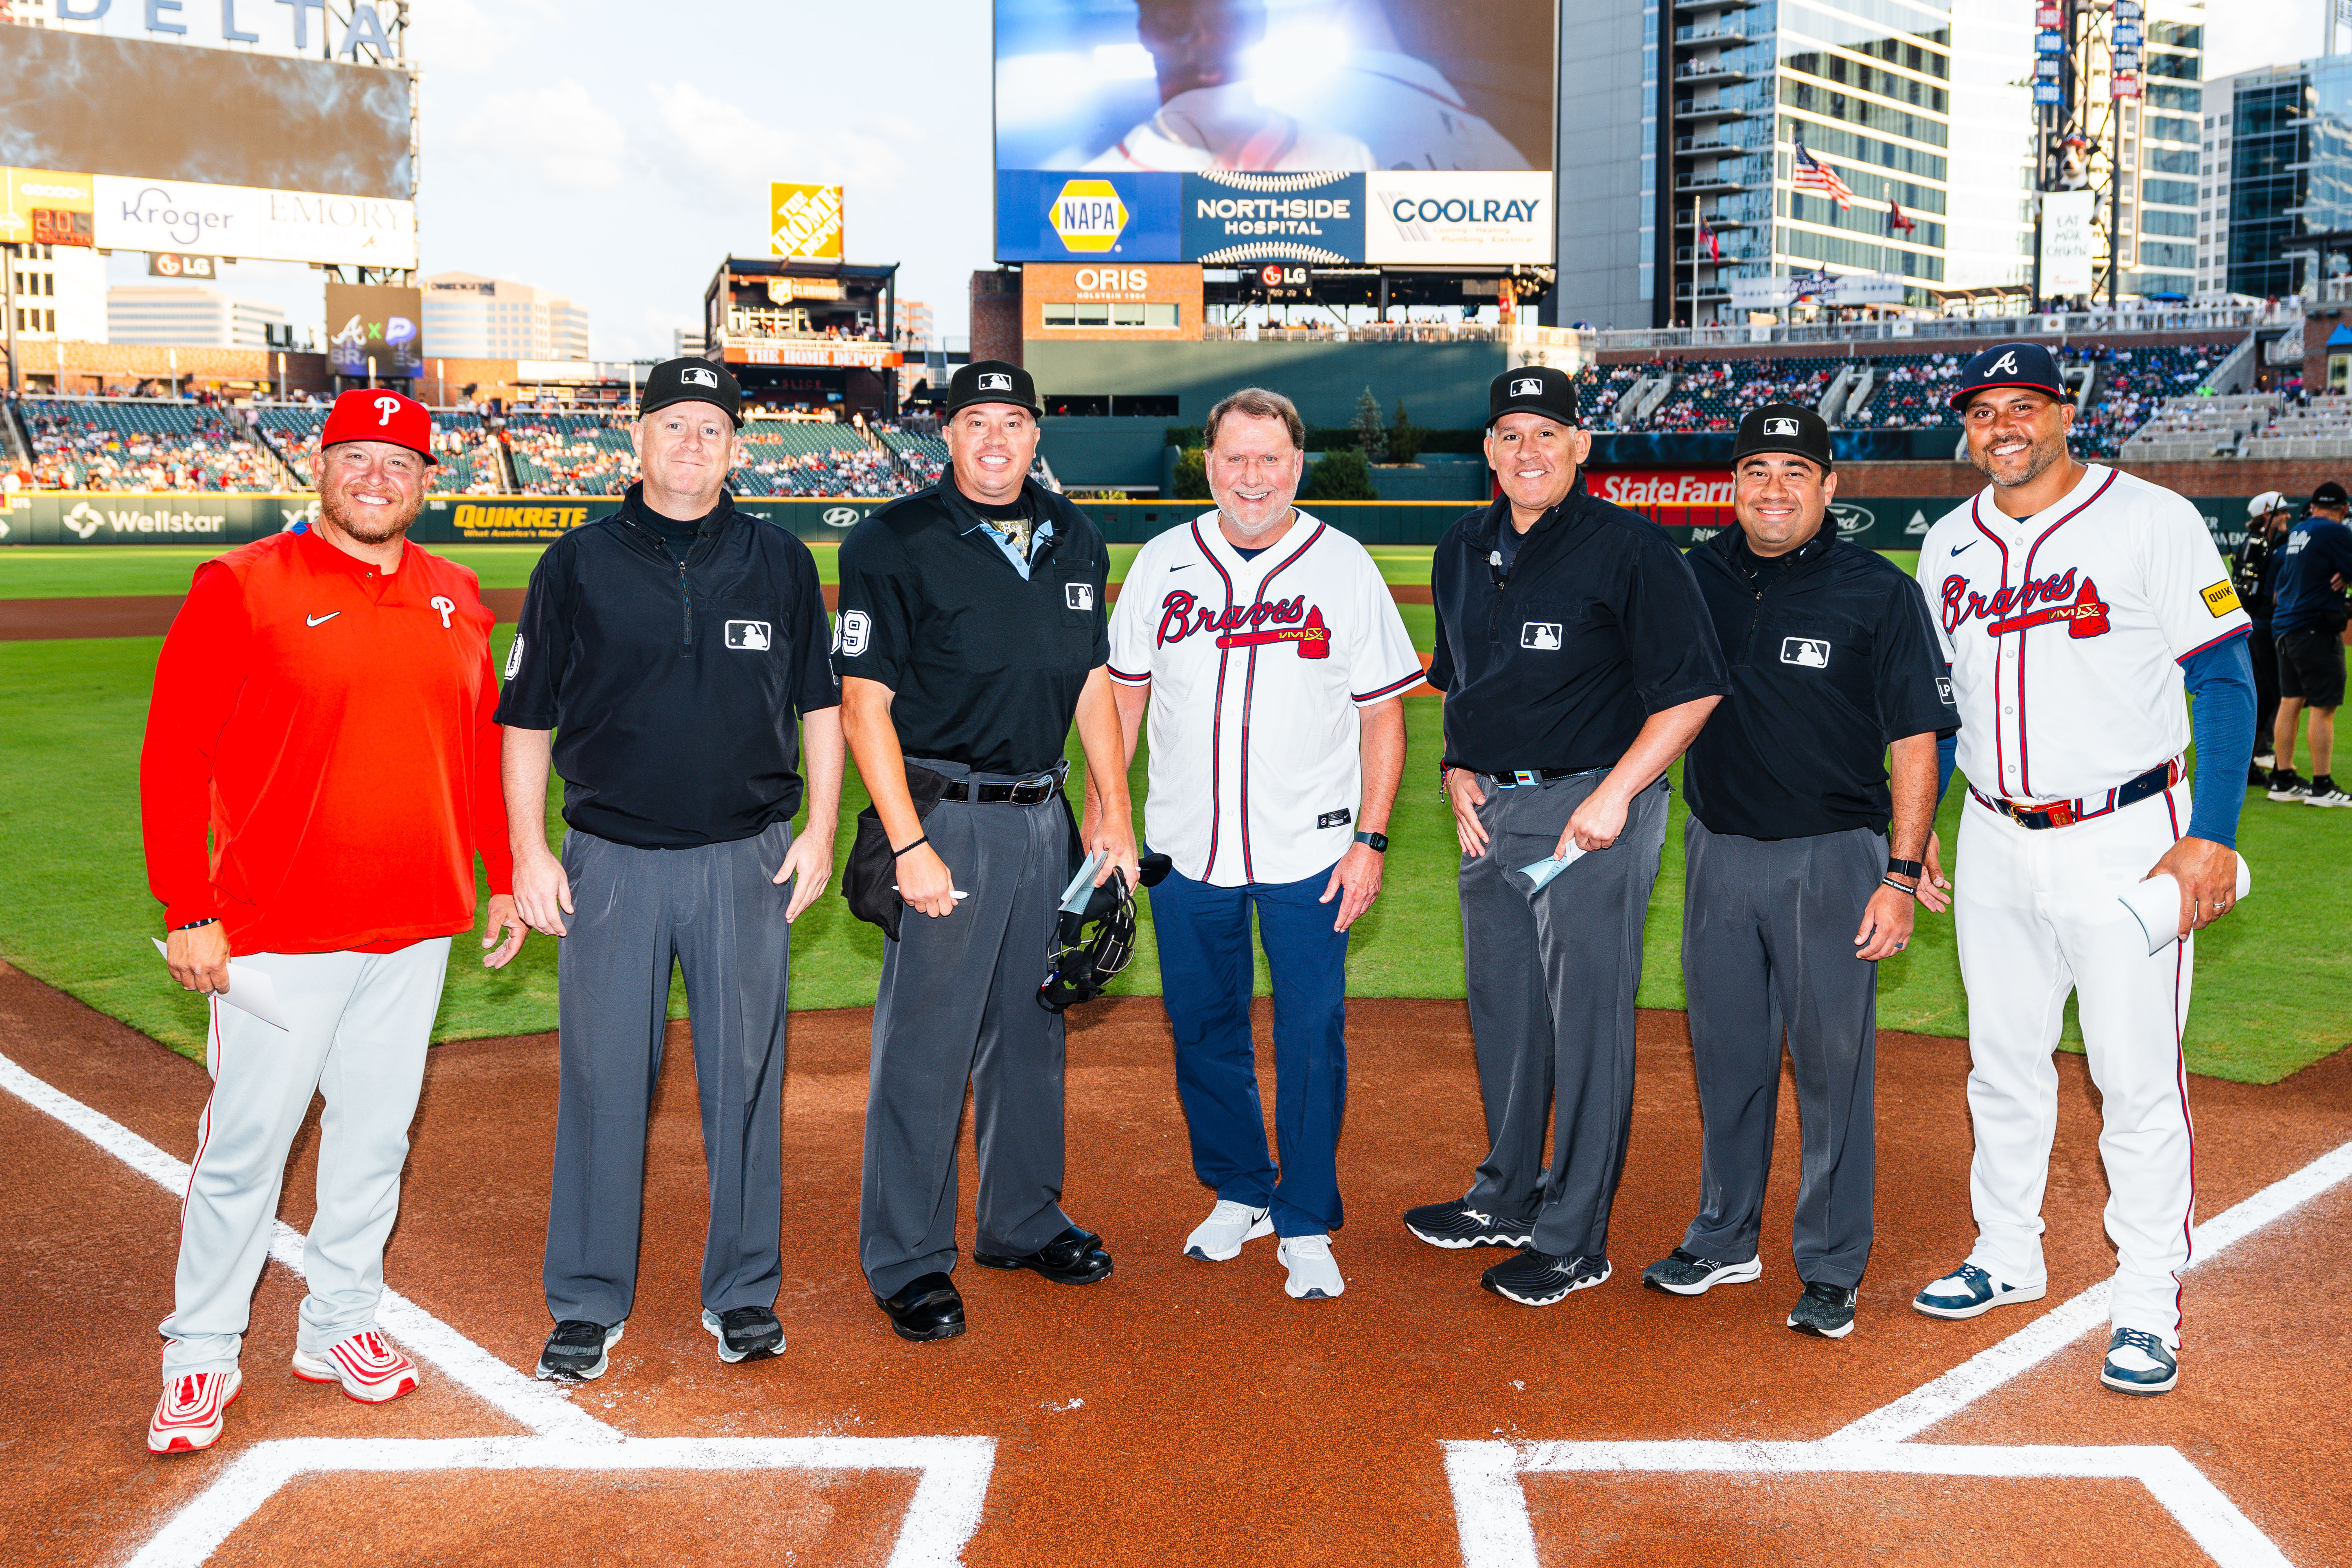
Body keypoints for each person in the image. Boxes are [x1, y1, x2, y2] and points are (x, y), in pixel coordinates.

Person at [139, 388, 525, 1454]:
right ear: (320, 465)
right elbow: (177, 752)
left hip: (416, 925)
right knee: (246, 1149)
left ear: (426, 481)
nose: (376, 478)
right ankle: (201, 1354)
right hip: (275, 932)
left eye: (398, 463)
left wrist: (498, 875)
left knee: (375, 1140)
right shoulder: (242, 585)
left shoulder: (457, 595)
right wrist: (188, 907)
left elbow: (476, 752)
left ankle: (339, 1322)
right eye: (356, 457)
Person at [1912, 342, 2256, 1398]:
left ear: (2064, 413)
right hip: (1994, 833)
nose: (2001, 426)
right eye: (1983, 411)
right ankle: (2006, 1252)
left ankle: (2147, 1296)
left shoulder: (2150, 517)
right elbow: (1942, 708)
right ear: (1966, 427)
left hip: (2128, 832)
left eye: (2023, 406)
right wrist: (1919, 825)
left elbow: (2227, 679)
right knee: (2000, 1060)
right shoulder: (1944, 547)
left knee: (2135, 1075)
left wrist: (2214, 832)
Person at [499, 359, 844, 1380]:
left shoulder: (779, 561)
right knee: (606, 1078)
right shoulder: (574, 564)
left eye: (711, 429)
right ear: (636, 441)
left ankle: (741, 1289)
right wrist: (527, 849)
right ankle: (588, 1298)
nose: (691, 445)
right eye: (673, 426)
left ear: (736, 449)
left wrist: (820, 828)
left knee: (744, 1076)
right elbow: (525, 719)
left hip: (746, 857)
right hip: (610, 860)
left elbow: (820, 703)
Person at [1409, 365, 1728, 1307]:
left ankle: (1572, 1235)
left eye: (1545, 433)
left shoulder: (1630, 550)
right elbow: (1458, 680)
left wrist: (1617, 795)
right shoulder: (1461, 546)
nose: (1527, 451)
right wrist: (1453, 764)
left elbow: (1694, 690)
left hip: (1589, 808)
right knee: (1505, 1009)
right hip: (1488, 813)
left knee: (1585, 1022)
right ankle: (1505, 1195)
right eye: (1509, 434)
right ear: (1488, 453)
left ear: (1580, 446)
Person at [1093, 387, 1421, 1301]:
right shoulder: (1163, 564)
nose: (1251, 476)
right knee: (1201, 1028)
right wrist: (1107, 811)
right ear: (1208, 464)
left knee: (1312, 1033)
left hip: (1312, 847)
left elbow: (1382, 715)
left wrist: (1373, 838)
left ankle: (1307, 1216)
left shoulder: (1343, 566)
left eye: (1269, 458)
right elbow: (1122, 698)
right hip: (1183, 848)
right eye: (1235, 457)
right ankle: (1240, 1188)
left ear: (1297, 465)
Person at [836, 361, 1140, 1343]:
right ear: (947, 435)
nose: (996, 438)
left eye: (1013, 420)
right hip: (944, 812)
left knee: (1033, 1027)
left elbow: (1089, 677)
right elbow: (863, 705)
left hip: (1043, 815)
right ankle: (908, 1257)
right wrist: (911, 843)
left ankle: (1020, 1218)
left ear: (1036, 434)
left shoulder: (1075, 535)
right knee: (926, 1044)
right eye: (976, 421)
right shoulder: (893, 541)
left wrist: (1111, 810)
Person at [1640, 405, 1959, 1340]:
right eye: (1754, 470)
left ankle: (1828, 1264)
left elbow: (1913, 739)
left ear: (1828, 486)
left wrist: (1900, 873)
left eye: (1793, 471)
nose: (1771, 489)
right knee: (1728, 1057)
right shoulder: (1692, 578)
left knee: (1832, 1071)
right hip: (1719, 851)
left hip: (1834, 856)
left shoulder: (1876, 591)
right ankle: (1722, 1234)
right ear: (1730, 484)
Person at [2266, 480, 2352, 807]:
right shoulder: (2336, 532)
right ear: (2344, 509)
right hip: (2314, 627)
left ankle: (2283, 778)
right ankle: (2321, 786)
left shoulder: (2299, 531)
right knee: (2323, 705)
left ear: (2313, 506)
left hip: (2285, 625)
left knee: (2291, 699)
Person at [2233, 491, 2293, 785]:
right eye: (2282, 512)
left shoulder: (2259, 543)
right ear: (2267, 515)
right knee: (2281, 693)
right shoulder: (2260, 545)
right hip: (2262, 627)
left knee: (2266, 697)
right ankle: (2283, 770)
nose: (2287, 517)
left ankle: (2250, 763)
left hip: (2255, 626)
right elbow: (2252, 592)